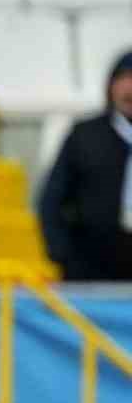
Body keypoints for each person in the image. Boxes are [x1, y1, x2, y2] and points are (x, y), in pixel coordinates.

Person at [39, 49, 132, 282]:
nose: (130, 88)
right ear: (110, 86)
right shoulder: (85, 136)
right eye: (123, 79)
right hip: (91, 271)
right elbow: (51, 200)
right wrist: (63, 256)